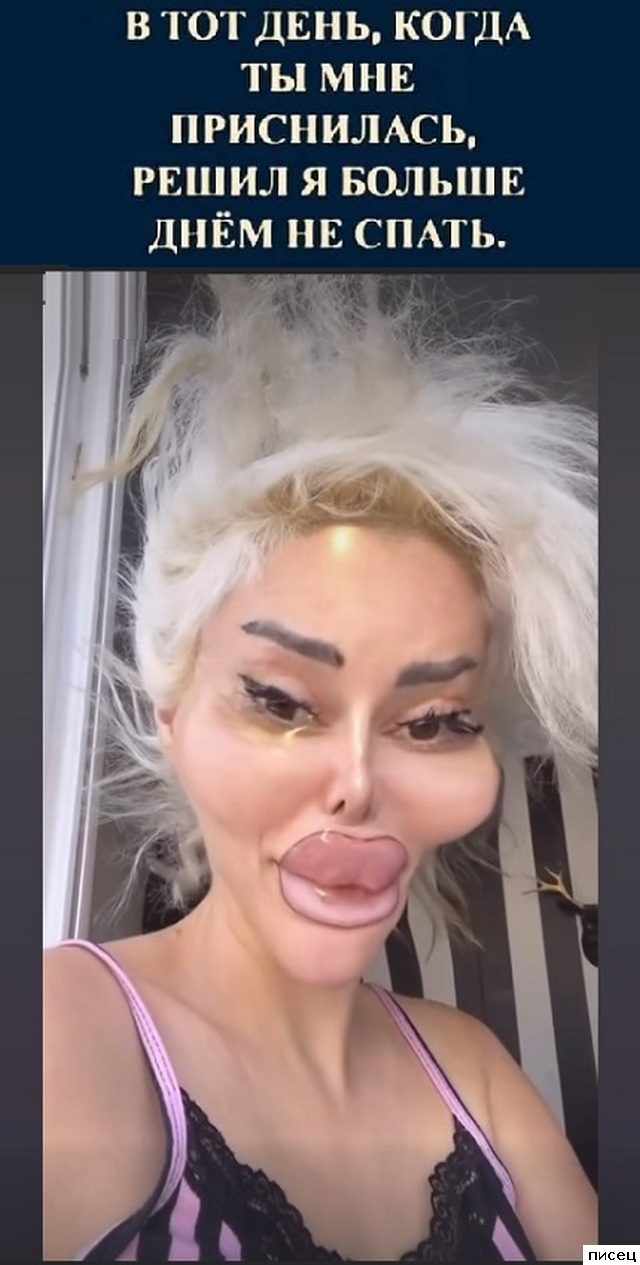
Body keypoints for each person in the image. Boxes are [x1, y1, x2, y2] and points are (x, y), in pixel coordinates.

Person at [44, 276, 598, 1262]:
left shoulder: (471, 1070)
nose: (356, 781)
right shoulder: (59, 1032)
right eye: (280, 701)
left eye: (434, 721)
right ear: (173, 719)